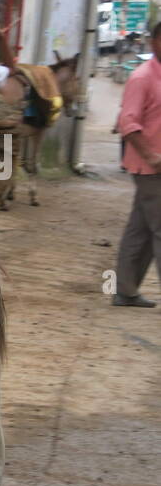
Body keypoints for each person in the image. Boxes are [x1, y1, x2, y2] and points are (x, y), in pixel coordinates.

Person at [111, 19, 161, 308]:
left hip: (154, 167)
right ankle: (124, 290)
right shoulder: (142, 77)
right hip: (150, 168)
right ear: (155, 41)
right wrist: (151, 156)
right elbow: (127, 123)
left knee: (140, 229)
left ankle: (125, 291)